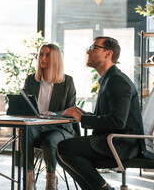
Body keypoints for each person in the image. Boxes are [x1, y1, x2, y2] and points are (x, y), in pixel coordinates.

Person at [57, 37, 144, 190]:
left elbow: (117, 122)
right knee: (61, 152)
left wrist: (82, 118)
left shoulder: (117, 81)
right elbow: (111, 116)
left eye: (93, 47)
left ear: (108, 54)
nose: (88, 51)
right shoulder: (109, 79)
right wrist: (85, 114)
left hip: (121, 144)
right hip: (113, 140)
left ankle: (104, 188)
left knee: (65, 148)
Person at [23, 43, 77, 190]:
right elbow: (25, 106)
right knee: (24, 133)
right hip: (36, 126)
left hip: (60, 128)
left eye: (47, 55)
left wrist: (53, 114)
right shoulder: (31, 80)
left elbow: (71, 110)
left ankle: (51, 180)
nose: (42, 58)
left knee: (49, 141)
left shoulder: (67, 82)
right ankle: (29, 179)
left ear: (55, 59)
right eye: (41, 54)